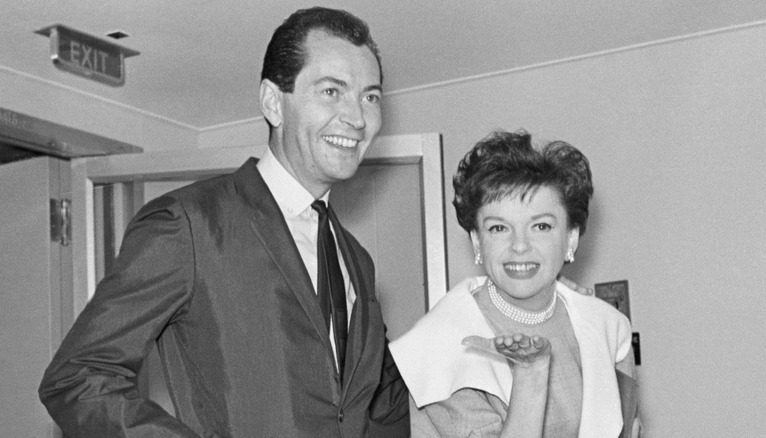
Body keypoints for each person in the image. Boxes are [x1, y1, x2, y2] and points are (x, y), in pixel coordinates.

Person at [39, 7, 409, 437]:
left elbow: (377, 410)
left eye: (370, 96)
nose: (358, 118)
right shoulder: (191, 224)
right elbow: (78, 376)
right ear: (273, 102)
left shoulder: (356, 260)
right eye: (332, 91)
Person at [389, 130, 640, 437]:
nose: (520, 245)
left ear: (571, 237)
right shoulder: (438, 345)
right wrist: (530, 375)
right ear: (477, 241)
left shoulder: (608, 328)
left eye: (541, 226)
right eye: (498, 228)